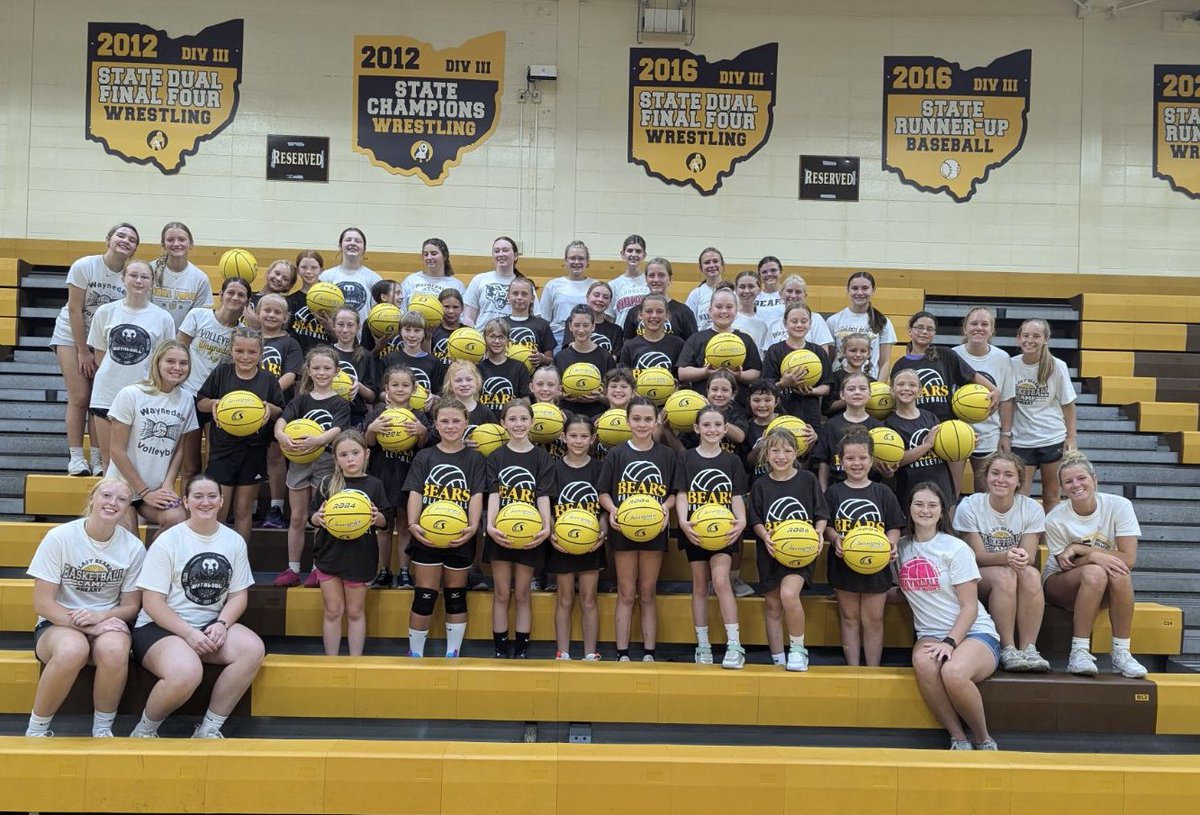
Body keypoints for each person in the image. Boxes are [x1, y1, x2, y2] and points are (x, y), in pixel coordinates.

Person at [130, 474, 264, 739]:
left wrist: (222, 624)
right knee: (187, 671)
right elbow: (152, 602)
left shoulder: (233, 541)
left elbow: (238, 596)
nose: (206, 502)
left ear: (221, 501)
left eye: (212, 496)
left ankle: (208, 729)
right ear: (186, 502)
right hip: (161, 628)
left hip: (208, 625)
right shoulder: (168, 541)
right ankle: (144, 731)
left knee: (252, 649)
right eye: (198, 497)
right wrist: (189, 633)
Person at [25, 478, 145, 738]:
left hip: (107, 620)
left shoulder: (134, 548)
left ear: (127, 508)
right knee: (72, 650)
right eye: (106, 495)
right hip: (59, 622)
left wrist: (101, 618)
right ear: (93, 498)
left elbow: (131, 606)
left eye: (122, 499)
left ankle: (102, 729)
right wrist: (90, 624)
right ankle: (36, 730)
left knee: (115, 649)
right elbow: (43, 603)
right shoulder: (60, 537)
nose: (113, 503)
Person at [897, 482, 1000, 751]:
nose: (925, 510)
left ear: (942, 512)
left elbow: (970, 607)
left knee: (953, 672)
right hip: (929, 633)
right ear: (909, 509)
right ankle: (958, 737)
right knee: (924, 663)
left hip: (974, 633)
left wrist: (950, 642)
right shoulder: (901, 548)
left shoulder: (955, 548)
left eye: (932, 505)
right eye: (918, 504)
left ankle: (983, 738)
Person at [1042, 451, 1148, 678]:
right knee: (1095, 573)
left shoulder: (1119, 506)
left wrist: (1084, 550)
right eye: (1068, 481)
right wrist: (1093, 558)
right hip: (1060, 582)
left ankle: (1122, 653)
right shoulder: (1055, 519)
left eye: (1081, 478)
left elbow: (1128, 559)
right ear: (1062, 488)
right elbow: (1066, 564)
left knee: (1120, 572)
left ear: (1094, 479)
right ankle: (1079, 652)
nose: (1076, 485)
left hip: (1103, 582)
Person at [51, 222, 139, 476]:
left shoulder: (131, 274)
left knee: (100, 400)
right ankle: (77, 458)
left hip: (106, 340)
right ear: (109, 239)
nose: (125, 240)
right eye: (120, 235)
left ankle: (99, 459)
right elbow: (74, 310)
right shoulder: (85, 265)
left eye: (131, 239)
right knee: (80, 396)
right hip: (72, 335)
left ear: (135, 248)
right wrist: (82, 350)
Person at [403, 399, 487, 658]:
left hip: (459, 536)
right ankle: (415, 654)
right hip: (427, 535)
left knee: (455, 595)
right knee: (425, 595)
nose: (450, 426)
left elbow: (476, 494)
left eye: (456, 421)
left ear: (466, 423)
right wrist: (413, 524)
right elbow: (415, 492)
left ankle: (453, 654)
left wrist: (472, 527)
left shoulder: (474, 458)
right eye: (444, 421)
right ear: (435, 425)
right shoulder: (425, 455)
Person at [954, 451, 1050, 672]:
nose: (1000, 479)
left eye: (1008, 475)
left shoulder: (1032, 508)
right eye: (995, 473)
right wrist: (1006, 556)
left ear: (1018, 481)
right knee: (1005, 575)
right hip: (978, 574)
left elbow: (1029, 557)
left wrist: (1020, 557)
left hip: (1012, 569)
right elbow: (975, 557)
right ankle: (1007, 647)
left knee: (1032, 574)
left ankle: (1029, 648)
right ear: (985, 476)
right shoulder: (970, 505)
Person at [598, 397, 678, 662]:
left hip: (654, 529)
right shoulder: (617, 454)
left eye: (647, 419)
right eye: (637, 419)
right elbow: (603, 493)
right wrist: (613, 510)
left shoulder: (666, 455)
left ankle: (649, 653)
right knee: (626, 591)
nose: (642, 424)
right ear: (627, 421)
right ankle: (622, 653)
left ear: (655, 422)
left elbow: (674, 494)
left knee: (647, 591)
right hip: (624, 528)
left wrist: (665, 507)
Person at [676, 406, 750, 669]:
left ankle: (734, 644)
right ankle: (703, 644)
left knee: (720, 581)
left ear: (725, 428)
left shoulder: (731, 461)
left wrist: (741, 521)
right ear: (697, 429)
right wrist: (684, 523)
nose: (712, 430)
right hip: (696, 530)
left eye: (717, 425)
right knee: (699, 585)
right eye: (706, 425)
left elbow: (736, 496)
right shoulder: (686, 458)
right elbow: (683, 494)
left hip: (724, 531)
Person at [196, 327, 286, 544]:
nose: (245, 357)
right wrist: (214, 403)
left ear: (260, 353)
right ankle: (214, 554)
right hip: (222, 451)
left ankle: (239, 561)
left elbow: (280, 410)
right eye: (240, 351)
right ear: (231, 350)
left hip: (253, 450)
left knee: (243, 510)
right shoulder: (221, 373)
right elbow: (201, 402)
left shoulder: (268, 379)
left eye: (252, 352)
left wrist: (268, 409)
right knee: (219, 508)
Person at [750, 428, 829, 671]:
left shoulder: (807, 480)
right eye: (774, 450)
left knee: (788, 595)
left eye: (787, 450)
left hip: (800, 551)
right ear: (766, 454)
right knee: (773, 605)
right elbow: (756, 520)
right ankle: (777, 658)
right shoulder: (761, 484)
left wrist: (818, 534)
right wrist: (765, 537)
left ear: (796, 453)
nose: (781, 455)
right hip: (771, 550)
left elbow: (821, 513)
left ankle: (797, 650)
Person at [823, 427, 904, 667]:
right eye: (850, 458)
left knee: (874, 620)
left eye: (862, 458)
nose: (856, 463)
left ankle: (872, 670)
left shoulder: (883, 492)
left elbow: (894, 525)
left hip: (876, 566)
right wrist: (835, 538)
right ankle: (853, 668)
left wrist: (892, 543)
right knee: (849, 619)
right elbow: (826, 525)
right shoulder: (834, 493)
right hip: (844, 564)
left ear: (872, 460)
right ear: (841, 461)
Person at [273, 346, 352, 588]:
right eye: (316, 368)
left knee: (322, 517)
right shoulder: (301, 400)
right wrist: (281, 435)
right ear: (308, 370)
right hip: (299, 460)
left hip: (326, 463)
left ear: (336, 371)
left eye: (327, 368)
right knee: (297, 517)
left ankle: (319, 568)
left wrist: (318, 440)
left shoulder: (340, 403)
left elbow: (338, 430)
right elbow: (281, 421)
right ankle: (293, 568)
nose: (321, 372)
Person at [86, 261, 176, 470]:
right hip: (107, 393)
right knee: (109, 463)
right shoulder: (105, 312)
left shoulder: (163, 318)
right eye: (133, 275)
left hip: (144, 395)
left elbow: (164, 359)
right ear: (123, 279)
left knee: (136, 463)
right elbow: (100, 354)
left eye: (144, 277)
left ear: (152, 282)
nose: (138, 280)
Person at [309, 431, 390, 656]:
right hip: (329, 554)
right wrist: (318, 517)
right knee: (333, 610)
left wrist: (377, 516)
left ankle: (355, 662)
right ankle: (331, 661)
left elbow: (385, 522)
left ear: (366, 454)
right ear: (335, 459)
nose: (350, 459)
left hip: (360, 556)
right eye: (343, 455)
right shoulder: (327, 484)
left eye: (355, 453)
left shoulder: (374, 485)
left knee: (355, 612)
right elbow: (312, 518)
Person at [484, 399, 555, 658]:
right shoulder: (495, 457)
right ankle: (501, 650)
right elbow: (493, 495)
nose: (518, 424)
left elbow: (543, 496)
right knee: (502, 592)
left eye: (523, 419)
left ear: (532, 422)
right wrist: (490, 527)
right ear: (502, 424)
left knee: (523, 592)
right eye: (512, 419)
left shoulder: (541, 457)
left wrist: (546, 528)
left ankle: (522, 649)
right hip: (500, 533)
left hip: (530, 534)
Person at [106, 340, 196, 535]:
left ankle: (154, 562)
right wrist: (144, 492)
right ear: (157, 362)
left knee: (177, 519)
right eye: (170, 361)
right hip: (123, 485)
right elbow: (117, 451)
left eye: (183, 363)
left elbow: (179, 449)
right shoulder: (131, 394)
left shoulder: (187, 399)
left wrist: (168, 484)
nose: (177, 368)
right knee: (130, 543)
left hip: (156, 487)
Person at [178, 276, 250, 482]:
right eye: (231, 292)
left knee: (214, 464)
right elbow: (178, 350)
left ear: (247, 301)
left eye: (241, 295)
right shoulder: (198, 315)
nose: (235, 298)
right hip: (188, 395)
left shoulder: (242, 333)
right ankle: (188, 511)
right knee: (190, 466)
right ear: (221, 294)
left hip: (218, 401)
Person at [364, 365, 429, 588]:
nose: (400, 389)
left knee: (404, 525)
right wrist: (372, 428)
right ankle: (383, 571)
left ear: (413, 389)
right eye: (395, 385)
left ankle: (404, 571)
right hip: (381, 476)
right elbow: (368, 443)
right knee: (383, 526)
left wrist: (422, 432)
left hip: (408, 476)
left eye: (405, 385)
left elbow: (423, 446)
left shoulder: (419, 416)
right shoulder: (377, 414)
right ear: (386, 388)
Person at [549, 414, 606, 660]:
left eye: (584, 436)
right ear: (563, 437)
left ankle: (590, 653)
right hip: (561, 544)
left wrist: (602, 532)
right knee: (564, 598)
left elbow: (604, 507)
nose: (578, 441)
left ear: (593, 439)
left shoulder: (600, 468)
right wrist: (552, 533)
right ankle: (562, 652)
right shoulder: (553, 468)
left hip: (592, 543)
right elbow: (547, 506)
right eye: (573, 435)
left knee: (589, 598)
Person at [1011, 318, 1077, 514]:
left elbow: (1068, 405)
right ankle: (1023, 541)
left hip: (1052, 437)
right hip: (1021, 440)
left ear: (1046, 339)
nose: (1030, 340)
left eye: (1036, 336)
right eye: (1026, 335)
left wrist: (1071, 437)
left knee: (1052, 496)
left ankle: (1050, 541)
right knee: (1020, 498)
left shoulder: (1057, 366)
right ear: (1018, 339)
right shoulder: (1010, 365)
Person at [952, 306, 1016, 491]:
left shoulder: (1002, 358)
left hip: (988, 434)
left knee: (986, 492)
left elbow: (1006, 400)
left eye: (984, 324)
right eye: (973, 323)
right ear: (965, 328)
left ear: (992, 329)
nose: (978, 328)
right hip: (957, 433)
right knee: (951, 493)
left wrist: (1005, 434)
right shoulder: (952, 355)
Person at [256, 293, 304, 529]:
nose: (271, 315)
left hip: (278, 406)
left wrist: (265, 393)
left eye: (277, 312)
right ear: (257, 313)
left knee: (276, 457)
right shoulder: (249, 338)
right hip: (249, 408)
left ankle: (276, 507)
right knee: (252, 455)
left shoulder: (290, 343)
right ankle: (251, 506)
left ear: (286, 317)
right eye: (267, 310)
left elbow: (291, 374)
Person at [884, 368, 955, 512]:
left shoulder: (930, 417)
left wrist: (965, 442)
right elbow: (897, 460)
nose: (906, 388)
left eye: (912, 385)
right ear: (892, 391)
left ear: (920, 391)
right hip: (910, 488)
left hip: (940, 484)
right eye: (901, 384)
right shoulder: (889, 424)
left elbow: (947, 448)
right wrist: (927, 445)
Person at [677, 284, 762, 405]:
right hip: (703, 406)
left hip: (738, 407)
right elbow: (682, 373)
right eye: (718, 306)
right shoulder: (696, 339)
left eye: (729, 307)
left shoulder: (745, 339)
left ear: (736, 311)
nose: (723, 311)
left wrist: (739, 375)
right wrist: (705, 372)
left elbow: (756, 373)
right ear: (710, 311)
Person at [761, 302, 833, 430]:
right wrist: (783, 383)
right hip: (780, 412)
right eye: (794, 321)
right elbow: (765, 386)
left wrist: (812, 391)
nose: (799, 325)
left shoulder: (818, 352)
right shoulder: (775, 351)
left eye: (804, 321)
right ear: (785, 324)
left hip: (810, 414)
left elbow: (826, 387)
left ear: (810, 324)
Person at [812, 372, 883, 491]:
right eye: (851, 389)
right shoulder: (831, 425)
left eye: (862, 388)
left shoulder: (878, 427)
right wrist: (823, 492)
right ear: (842, 395)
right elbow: (824, 463)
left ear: (870, 394)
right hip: (837, 487)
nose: (857, 392)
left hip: (869, 488)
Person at [825, 271, 896, 382]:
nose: (860, 292)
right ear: (848, 290)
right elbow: (829, 359)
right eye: (855, 288)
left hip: (869, 384)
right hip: (840, 383)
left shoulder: (883, 322)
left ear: (873, 290)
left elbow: (885, 362)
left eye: (865, 288)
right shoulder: (833, 321)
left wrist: (878, 388)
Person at [149, 221, 213, 330]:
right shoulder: (149, 270)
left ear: (191, 243)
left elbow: (199, 319)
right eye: (170, 240)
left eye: (181, 239)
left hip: (182, 343)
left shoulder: (200, 278)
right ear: (163, 244)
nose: (176, 244)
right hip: (151, 335)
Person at [319, 227, 382, 336]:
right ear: (340, 246)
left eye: (357, 241)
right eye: (348, 240)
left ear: (364, 248)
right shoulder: (326, 277)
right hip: (331, 339)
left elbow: (377, 315)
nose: (352, 243)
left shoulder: (374, 279)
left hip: (363, 340)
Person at [556, 305, 614, 420]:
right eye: (577, 325)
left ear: (593, 326)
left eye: (586, 325)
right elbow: (553, 394)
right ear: (570, 327)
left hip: (598, 415)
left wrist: (599, 398)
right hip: (567, 416)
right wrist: (561, 396)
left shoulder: (605, 357)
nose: (581, 330)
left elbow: (613, 397)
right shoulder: (560, 357)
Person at [622, 257, 697, 341]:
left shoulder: (684, 312)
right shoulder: (634, 312)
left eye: (661, 275)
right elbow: (627, 346)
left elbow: (692, 346)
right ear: (646, 279)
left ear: (670, 279)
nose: (656, 279)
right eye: (651, 275)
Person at [464, 236, 530, 328]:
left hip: (513, 340)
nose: (501, 254)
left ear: (515, 256)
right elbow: (468, 317)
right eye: (497, 251)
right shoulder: (479, 280)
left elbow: (535, 316)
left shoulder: (525, 285)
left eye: (505, 250)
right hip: (482, 339)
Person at [540, 240, 596, 348]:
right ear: (565, 261)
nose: (576, 262)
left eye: (581, 258)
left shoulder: (595, 286)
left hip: (586, 337)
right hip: (557, 339)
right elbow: (544, 320)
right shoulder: (552, 285)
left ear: (587, 262)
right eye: (572, 258)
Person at [330, 306, 378, 429]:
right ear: (333, 326)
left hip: (354, 415)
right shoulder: (324, 352)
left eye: (350, 325)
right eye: (340, 324)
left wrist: (358, 386)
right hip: (328, 411)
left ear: (358, 327)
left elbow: (372, 397)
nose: (345, 330)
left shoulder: (365, 356)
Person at [618, 293, 686, 379]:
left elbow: (682, 381)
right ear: (640, 315)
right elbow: (623, 380)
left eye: (659, 311)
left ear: (667, 315)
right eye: (649, 311)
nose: (654, 316)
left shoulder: (678, 344)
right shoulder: (629, 346)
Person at [766, 273, 834, 354]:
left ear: (805, 295)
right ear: (781, 294)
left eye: (798, 292)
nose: (793, 295)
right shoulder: (774, 323)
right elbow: (768, 355)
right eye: (789, 291)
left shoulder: (816, 319)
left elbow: (824, 353)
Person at [478, 317, 533, 416]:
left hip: (511, 424)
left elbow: (525, 401)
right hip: (484, 425)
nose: (497, 341)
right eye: (492, 336)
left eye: (501, 337)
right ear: (485, 338)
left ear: (508, 340)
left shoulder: (519, 367)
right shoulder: (477, 368)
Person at [399, 238, 464, 311]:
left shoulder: (456, 285)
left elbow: (461, 314)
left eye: (434, 254)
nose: (429, 257)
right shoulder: (411, 280)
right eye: (426, 254)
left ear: (445, 256)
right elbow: (401, 308)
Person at [287, 250, 333, 352]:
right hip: (298, 357)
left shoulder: (331, 300)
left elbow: (338, 337)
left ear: (321, 270)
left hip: (324, 358)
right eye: (304, 267)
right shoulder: (290, 301)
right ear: (298, 270)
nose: (308, 271)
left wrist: (329, 327)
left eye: (314, 268)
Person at [506, 277, 556, 368]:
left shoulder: (542, 325)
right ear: (508, 297)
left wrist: (542, 358)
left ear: (532, 298)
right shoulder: (500, 324)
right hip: (507, 375)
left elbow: (551, 360)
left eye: (524, 294)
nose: (519, 297)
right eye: (515, 293)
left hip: (533, 379)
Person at [607, 234, 649, 330]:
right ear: (623, 254)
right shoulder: (613, 285)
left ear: (644, 255)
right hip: (622, 339)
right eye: (630, 251)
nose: (633, 254)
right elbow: (610, 318)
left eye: (638, 251)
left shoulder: (650, 282)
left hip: (646, 338)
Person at [684, 246, 725, 332]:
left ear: (722, 265)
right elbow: (687, 323)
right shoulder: (696, 294)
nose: (712, 265)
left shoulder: (733, 291)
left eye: (715, 261)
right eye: (707, 262)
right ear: (701, 268)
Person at [732, 270, 772, 354]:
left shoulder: (762, 324)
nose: (746, 291)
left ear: (759, 289)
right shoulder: (729, 317)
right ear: (735, 289)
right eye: (742, 287)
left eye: (751, 286)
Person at [430, 288, 466, 368]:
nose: (451, 311)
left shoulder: (469, 333)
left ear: (462, 308)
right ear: (439, 307)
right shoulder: (431, 331)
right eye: (446, 306)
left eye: (455, 307)